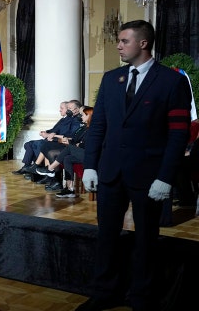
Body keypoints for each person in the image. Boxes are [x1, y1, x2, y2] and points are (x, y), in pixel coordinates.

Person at [78, 20, 191, 311]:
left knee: (146, 240)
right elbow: (98, 125)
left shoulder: (171, 81)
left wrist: (166, 177)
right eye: (118, 40)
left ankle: (142, 298)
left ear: (143, 43)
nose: (118, 45)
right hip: (111, 172)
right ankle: (105, 292)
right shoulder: (111, 78)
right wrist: (91, 165)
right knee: (107, 236)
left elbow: (178, 133)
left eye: (124, 40)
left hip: (150, 175)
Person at [36, 106, 93, 197]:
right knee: (67, 158)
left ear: (89, 116)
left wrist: (78, 144)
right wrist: (69, 141)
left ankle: (50, 169)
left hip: (90, 155)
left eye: (83, 115)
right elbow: (75, 139)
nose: (81, 117)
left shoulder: (93, 129)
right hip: (81, 152)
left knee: (69, 148)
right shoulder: (84, 128)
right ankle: (69, 189)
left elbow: (90, 144)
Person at [12, 101, 80, 176]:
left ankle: (37, 169)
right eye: (68, 108)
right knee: (28, 144)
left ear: (77, 109)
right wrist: (46, 132)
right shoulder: (65, 119)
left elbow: (67, 135)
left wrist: (50, 135)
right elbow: (55, 130)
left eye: (69, 108)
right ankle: (27, 167)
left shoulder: (75, 120)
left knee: (43, 146)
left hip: (59, 141)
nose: (67, 110)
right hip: (53, 138)